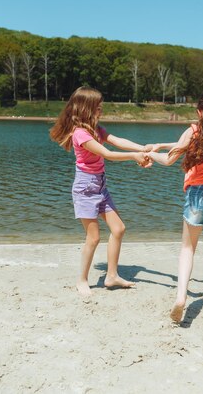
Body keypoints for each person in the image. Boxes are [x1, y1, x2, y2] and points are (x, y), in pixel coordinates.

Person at [49, 86, 152, 296]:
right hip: (85, 189)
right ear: (87, 108)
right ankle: (82, 280)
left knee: (118, 229)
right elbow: (107, 153)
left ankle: (111, 276)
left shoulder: (95, 129)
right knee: (93, 237)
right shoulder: (79, 134)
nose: (101, 109)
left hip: (100, 186)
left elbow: (116, 141)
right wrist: (134, 157)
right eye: (98, 107)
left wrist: (143, 148)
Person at [148, 92, 203, 322]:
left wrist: (150, 153)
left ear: (199, 112)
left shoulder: (193, 131)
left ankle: (180, 298)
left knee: (188, 249)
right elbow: (200, 140)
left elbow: (169, 159)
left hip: (198, 195)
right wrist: (163, 144)